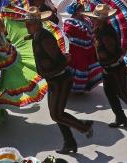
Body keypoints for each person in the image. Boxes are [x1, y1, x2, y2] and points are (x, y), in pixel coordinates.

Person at [25, 12, 93, 154]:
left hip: (60, 79)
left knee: (56, 114)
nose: (26, 26)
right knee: (56, 113)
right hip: (53, 80)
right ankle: (70, 142)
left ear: (37, 24)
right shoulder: (37, 36)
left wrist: (61, 61)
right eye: (26, 23)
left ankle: (83, 127)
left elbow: (60, 60)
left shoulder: (45, 38)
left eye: (29, 23)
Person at [84, 3, 127, 128]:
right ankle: (121, 118)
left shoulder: (106, 32)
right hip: (108, 67)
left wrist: (108, 65)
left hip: (115, 67)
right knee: (110, 93)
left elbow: (114, 52)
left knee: (121, 91)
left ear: (102, 19)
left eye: (95, 18)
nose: (93, 20)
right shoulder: (99, 29)